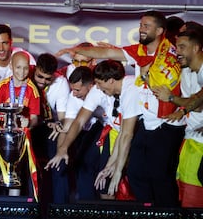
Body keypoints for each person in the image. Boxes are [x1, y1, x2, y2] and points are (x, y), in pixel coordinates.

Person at [57, 10, 185, 207]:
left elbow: (126, 133)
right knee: (136, 174)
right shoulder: (139, 52)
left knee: (159, 176)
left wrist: (182, 107)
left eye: (146, 26)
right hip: (147, 123)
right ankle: (149, 212)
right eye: (141, 25)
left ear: (160, 30)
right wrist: (77, 50)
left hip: (167, 123)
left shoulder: (170, 56)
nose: (141, 29)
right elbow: (106, 53)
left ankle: (168, 213)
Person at [46, 60, 140, 201]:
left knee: (135, 179)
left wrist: (117, 169)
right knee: (105, 182)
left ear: (110, 81)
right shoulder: (96, 91)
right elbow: (77, 122)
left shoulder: (130, 88)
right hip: (115, 132)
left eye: (99, 84)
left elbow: (127, 134)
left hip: (134, 132)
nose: (98, 88)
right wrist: (63, 149)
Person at [153, 30, 203, 207]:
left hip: (199, 146)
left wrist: (172, 99)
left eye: (182, 47)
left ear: (196, 48)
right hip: (192, 141)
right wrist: (181, 110)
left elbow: (198, 104)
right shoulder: (191, 72)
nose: (177, 51)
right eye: (176, 47)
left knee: (194, 201)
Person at [0, 51, 40, 200]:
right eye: (18, 67)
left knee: (16, 173)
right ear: (11, 66)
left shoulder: (32, 90)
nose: (22, 72)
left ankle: (13, 205)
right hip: (0, 139)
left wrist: (30, 123)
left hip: (20, 141)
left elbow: (35, 118)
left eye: (25, 68)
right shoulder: (1, 87)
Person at [49, 66, 104, 201]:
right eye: (72, 89)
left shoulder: (102, 92)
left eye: (77, 90)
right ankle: (84, 206)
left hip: (108, 129)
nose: (73, 93)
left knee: (90, 165)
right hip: (87, 130)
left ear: (91, 86)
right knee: (82, 165)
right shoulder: (74, 97)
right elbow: (71, 124)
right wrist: (61, 150)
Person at [29, 53, 70, 204]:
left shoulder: (60, 82)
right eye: (40, 77)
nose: (43, 82)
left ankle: (60, 208)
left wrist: (58, 124)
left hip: (51, 125)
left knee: (59, 161)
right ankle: (30, 206)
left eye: (48, 79)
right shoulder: (26, 75)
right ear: (36, 69)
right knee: (30, 164)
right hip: (30, 124)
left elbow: (63, 117)